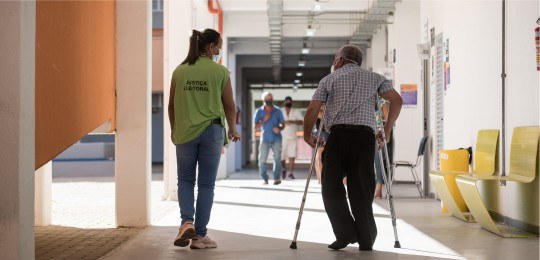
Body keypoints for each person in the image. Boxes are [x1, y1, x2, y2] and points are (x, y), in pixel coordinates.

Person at [303, 44, 403, 251]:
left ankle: (346, 233)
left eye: (334, 59)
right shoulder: (375, 78)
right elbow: (396, 100)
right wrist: (387, 128)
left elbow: (313, 108)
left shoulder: (329, 79)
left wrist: (307, 135)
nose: (333, 63)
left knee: (331, 187)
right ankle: (366, 238)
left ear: (340, 60)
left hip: (337, 136)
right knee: (361, 188)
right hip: (364, 139)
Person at [168, 28, 241, 250]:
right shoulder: (219, 72)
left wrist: (174, 129)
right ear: (210, 47)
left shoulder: (179, 71)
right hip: (211, 132)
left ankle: (186, 222)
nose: (219, 50)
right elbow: (229, 105)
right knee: (207, 184)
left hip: (185, 132)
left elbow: (171, 105)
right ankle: (199, 236)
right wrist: (232, 129)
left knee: (185, 180)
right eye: (218, 45)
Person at [254, 92, 285, 185]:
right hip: (265, 138)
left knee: (277, 158)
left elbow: (283, 124)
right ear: (263, 101)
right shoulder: (259, 111)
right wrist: (264, 119)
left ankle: (276, 178)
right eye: (267, 99)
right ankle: (265, 178)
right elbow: (255, 127)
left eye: (270, 99)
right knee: (262, 159)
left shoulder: (278, 111)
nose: (269, 101)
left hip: (277, 138)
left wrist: (279, 128)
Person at [374, 99, 394, 199]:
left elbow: (387, 121)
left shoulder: (383, 104)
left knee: (379, 162)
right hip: (368, 134)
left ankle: (379, 189)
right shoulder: (366, 103)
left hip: (380, 136)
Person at [280, 96, 303, 180]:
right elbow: (276, 121)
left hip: (293, 137)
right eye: (286, 102)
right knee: (281, 156)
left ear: (292, 102)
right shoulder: (280, 111)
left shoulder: (295, 111)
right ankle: (283, 169)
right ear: (284, 102)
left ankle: (291, 173)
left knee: (292, 155)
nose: (288, 103)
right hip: (282, 137)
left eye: (289, 102)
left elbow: (301, 121)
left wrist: (292, 121)